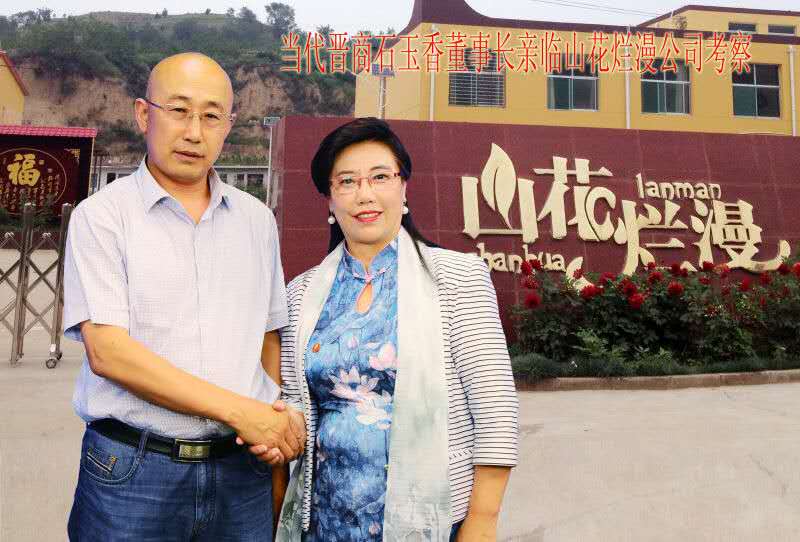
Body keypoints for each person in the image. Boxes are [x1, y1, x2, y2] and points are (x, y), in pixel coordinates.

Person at [63, 52, 305, 541]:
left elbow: (267, 337)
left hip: (241, 471)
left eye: (211, 116)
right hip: (134, 471)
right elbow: (109, 352)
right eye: (178, 110)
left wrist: (274, 429)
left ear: (229, 126)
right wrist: (242, 412)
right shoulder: (102, 217)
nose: (194, 132)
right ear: (143, 114)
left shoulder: (257, 221)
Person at [254, 117, 519, 541]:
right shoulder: (301, 293)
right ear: (329, 199)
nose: (365, 194)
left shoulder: (457, 278)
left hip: (431, 520)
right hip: (327, 520)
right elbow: (295, 403)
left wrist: (482, 522)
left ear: (403, 187)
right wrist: (273, 430)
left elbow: (496, 411)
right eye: (347, 181)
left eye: (380, 177)